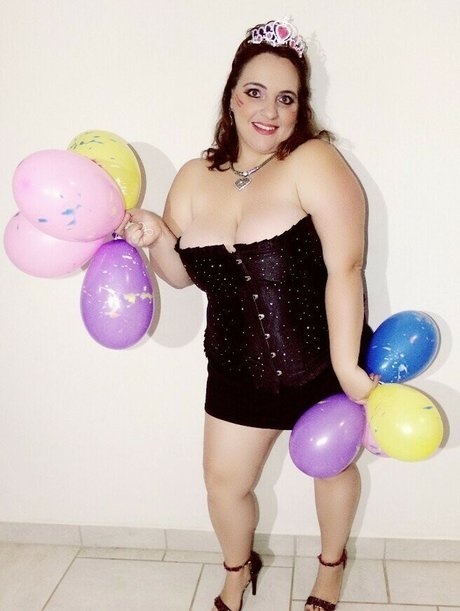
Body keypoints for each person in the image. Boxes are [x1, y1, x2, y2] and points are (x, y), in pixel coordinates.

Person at [117, 18, 379, 611]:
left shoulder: (314, 161)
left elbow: (347, 267)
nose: (269, 110)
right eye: (255, 92)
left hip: (321, 358)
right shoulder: (193, 177)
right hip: (236, 370)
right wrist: (156, 234)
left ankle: (331, 568)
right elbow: (180, 276)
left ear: (300, 108)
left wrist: (347, 368)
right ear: (231, 97)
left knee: (331, 469)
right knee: (224, 486)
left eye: (286, 98)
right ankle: (238, 570)